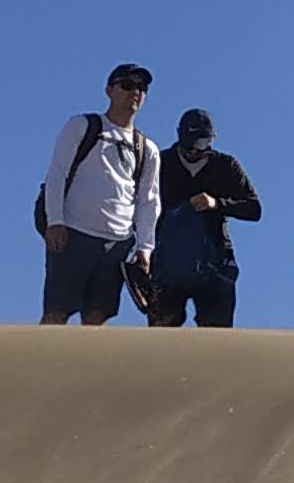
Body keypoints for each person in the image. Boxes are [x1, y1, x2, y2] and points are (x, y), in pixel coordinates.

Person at [36, 62, 163, 327]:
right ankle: (41, 364)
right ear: (109, 90)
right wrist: (55, 221)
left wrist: (145, 248)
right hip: (73, 234)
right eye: (127, 85)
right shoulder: (82, 126)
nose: (135, 93)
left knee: (97, 317)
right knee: (56, 313)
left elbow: (149, 201)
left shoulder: (147, 148)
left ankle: (83, 368)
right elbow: (57, 174)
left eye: (142, 88)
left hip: (117, 244)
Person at [139, 109, 264, 327]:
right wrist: (142, 249)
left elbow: (254, 209)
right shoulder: (160, 162)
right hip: (167, 262)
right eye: (189, 143)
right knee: (161, 334)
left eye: (202, 143)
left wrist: (216, 203)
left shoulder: (226, 165)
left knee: (217, 335)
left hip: (215, 261)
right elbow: (139, 206)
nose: (195, 150)